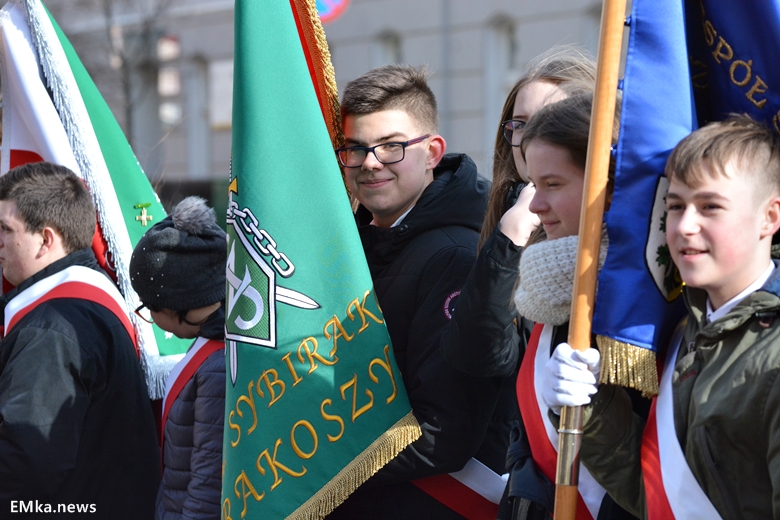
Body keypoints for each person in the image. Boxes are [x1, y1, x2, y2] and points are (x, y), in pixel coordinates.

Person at [542, 114, 780, 520]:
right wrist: (590, 405)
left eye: (710, 207)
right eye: (675, 206)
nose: (684, 226)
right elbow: (652, 496)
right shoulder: (685, 329)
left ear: (770, 218)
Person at [326, 64, 495, 519]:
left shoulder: (455, 256)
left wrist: (316, 462)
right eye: (356, 148)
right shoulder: (355, 245)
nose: (371, 162)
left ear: (432, 151)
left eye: (391, 146)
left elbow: (443, 432)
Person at [439, 46, 599, 518]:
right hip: (526, 479)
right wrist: (508, 240)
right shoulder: (507, 216)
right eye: (520, 124)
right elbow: (479, 354)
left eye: (551, 118)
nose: (533, 136)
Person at [507, 93, 640, 520]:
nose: (535, 204)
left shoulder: (644, 298)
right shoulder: (549, 284)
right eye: (533, 184)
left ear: (608, 184)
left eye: (553, 184)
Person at [0, 162, 159, 517]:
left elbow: (26, 465)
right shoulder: (88, 296)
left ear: (46, 240)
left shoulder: (51, 330)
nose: (0, 241)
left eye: (6, 229)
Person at [129, 196, 227, 520]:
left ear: (173, 306)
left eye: (148, 307)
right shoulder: (214, 345)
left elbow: (208, 488)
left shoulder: (218, 369)